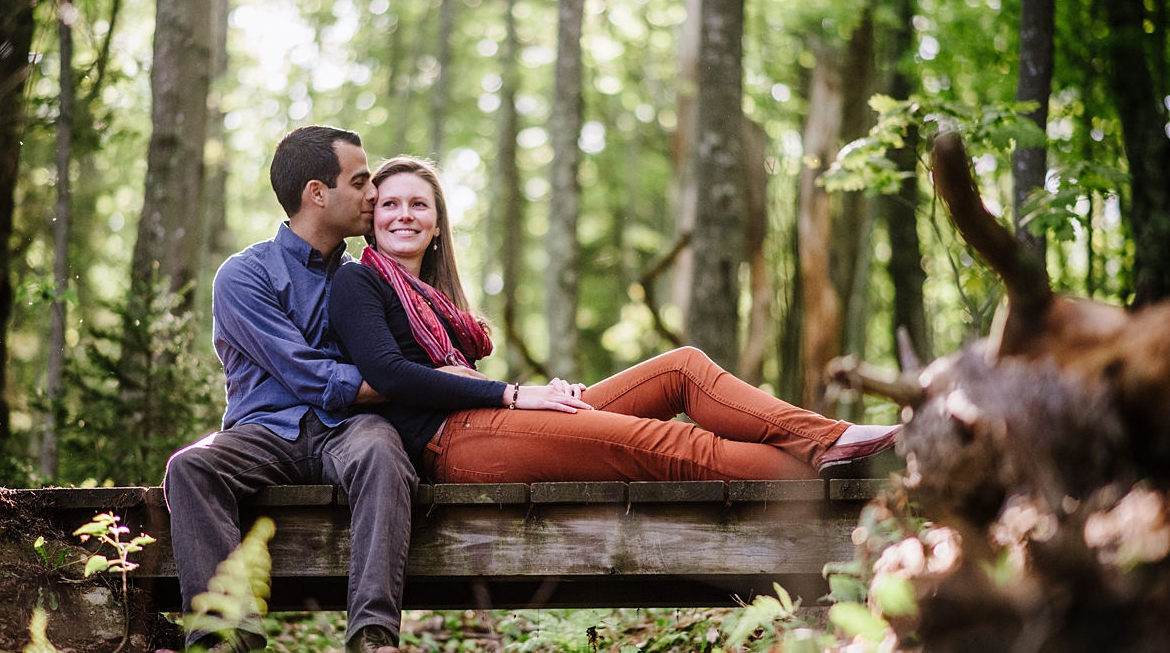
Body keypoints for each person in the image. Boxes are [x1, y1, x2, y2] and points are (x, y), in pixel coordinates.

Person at [328, 156, 899, 488]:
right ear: (371, 219)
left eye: (418, 205)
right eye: (390, 204)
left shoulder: (437, 298)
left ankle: (830, 442)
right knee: (668, 442)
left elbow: (467, 381)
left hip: (492, 421)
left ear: (435, 225)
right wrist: (516, 396)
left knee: (682, 368)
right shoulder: (358, 282)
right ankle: (831, 481)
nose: (404, 214)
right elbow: (391, 373)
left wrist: (538, 398)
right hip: (452, 443)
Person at [150, 126, 415, 653]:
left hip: (348, 433)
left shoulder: (371, 276)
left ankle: (372, 637)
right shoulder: (244, 276)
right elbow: (308, 375)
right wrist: (399, 384)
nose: (373, 194)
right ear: (317, 193)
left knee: (381, 448)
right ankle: (229, 640)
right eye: (361, 181)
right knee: (191, 468)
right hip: (263, 434)